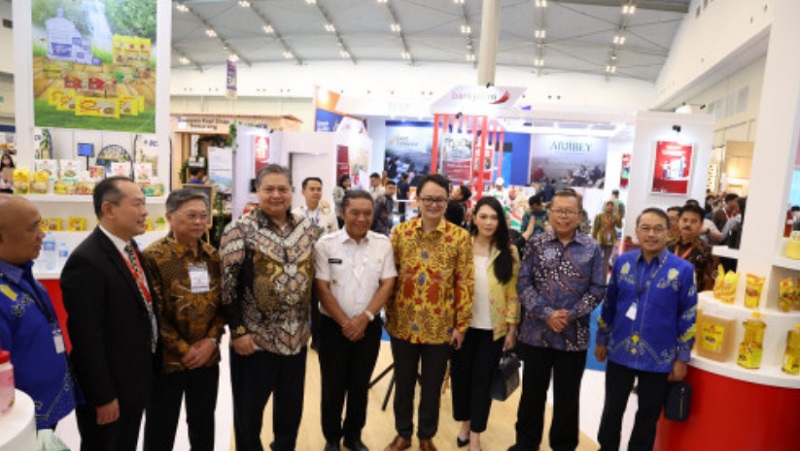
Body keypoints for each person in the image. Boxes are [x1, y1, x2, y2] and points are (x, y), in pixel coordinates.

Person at [220, 164, 317, 451]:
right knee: (249, 416)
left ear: (291, 192)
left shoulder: (307, 231)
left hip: (296, 340)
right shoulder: (239, 230)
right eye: (269, 189)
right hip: (254, 341)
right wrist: (238, 332)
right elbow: (227, 287)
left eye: (282, 189)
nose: (276, 195)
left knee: (290, 413)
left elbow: (314, 282)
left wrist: (311, 327)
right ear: (258, 192)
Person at [61, 176, 159, 451]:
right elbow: (86, 338)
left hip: (133, 383)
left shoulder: (131, 248)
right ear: (108, 209)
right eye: (137, 204)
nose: (145, 212)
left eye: (145, 203)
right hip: (109, 391)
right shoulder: (87, 261)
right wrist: (103, 396)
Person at [510, 190, 606, 451]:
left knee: (567, 396)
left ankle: (563, 445)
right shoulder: (536, 244)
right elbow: (523, 283)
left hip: (573, 337)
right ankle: (526, 443)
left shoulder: (592, 248)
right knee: (532, 394)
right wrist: (546, 314)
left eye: (569, 211)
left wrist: (569, 315)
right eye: (558, 211)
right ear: (549, 213)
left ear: (579, 215)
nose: (563, 216)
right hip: (535, 333)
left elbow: (598, 289)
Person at [596, 207, 697, 451]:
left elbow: (688, 315)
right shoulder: (622, 262)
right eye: (645, 228)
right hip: (620, 350)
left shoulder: (683, 270)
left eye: (658, 229)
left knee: (647, 416)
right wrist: (602, 338)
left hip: (659, 356)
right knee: (612, 410)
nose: (651, 234)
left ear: (668, 232)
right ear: (636, 231)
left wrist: (682, 357)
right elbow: (609, 303)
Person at [385, 174, 474, 451]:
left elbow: (465, 282)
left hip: (440, 326)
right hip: (403, 322)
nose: (433, 204)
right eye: (428, 199)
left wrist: (461, 324)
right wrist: (388, 315)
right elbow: (389, 277)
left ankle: (426, 435)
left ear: (448, 201)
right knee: (404, 384)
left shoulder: (460, 238)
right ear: (417, 200)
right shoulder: (400, 233)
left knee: (432, 388)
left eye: (439, 199)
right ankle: (403, 434)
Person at [142, 189, 225, 451]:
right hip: (168, 362)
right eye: (191, 216)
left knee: (203, 425)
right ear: (169, 216)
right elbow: (152, 312)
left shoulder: (213, 256)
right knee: (160, 428)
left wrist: (212, 340)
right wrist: (185, 349)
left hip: (207, 359)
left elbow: (223, 304)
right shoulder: (153, 257)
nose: (199, 222)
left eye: (203, 215)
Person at [315, 190, 397, 451]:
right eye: (355, 212)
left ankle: (353, 436)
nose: (362, 218)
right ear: (342, 213)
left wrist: (365, 318)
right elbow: (322, 288)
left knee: (359, 385)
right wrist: (345, 323)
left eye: (367, 213)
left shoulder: (382, 243)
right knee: (333, 386)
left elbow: (387, 284)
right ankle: (332, 437)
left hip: (369, 328)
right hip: (331, 328)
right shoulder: (326, 245)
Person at [0, 194, 77, 430]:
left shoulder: (23, 273)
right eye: (33, 228)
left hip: (43, 410)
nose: (42, 234)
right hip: (18, 421)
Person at [451, 196, 520, 451]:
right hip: (462, 327)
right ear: (473, 217)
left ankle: (476, 434)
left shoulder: (509, 250)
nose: (489, 222)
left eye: (494, 217)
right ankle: (465, 424)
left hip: (494, 329)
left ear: (500, 220)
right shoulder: (462, 245)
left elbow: (514, 291)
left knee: (482, 381)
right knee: (461, 378)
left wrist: (512, 328)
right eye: (484, 216)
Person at [294, 176, 340, 351]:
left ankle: (318, 340)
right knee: (301, 303)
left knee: (320, 302)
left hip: (323, 264)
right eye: (312, 189)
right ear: (303, 192)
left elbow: (336, 237)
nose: (316, 192)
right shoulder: (295, 214)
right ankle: (300, 336)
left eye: (319, 189)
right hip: (302, 265)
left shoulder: (329, 214)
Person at [668, 204, 718, 292]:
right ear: (679, 221)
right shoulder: (666, 246)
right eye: (684, 220)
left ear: (701, 224)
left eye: (693, 221)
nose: (688, 224)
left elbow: (710, 286)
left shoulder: (708, 251)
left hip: (691, 301)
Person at [592, 200, 623, 270]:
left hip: (610, 240)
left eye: (612, 205)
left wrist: (619, 217)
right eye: (608, 205)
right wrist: (593, 240)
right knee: (598, 259)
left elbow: (620, 226)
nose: (610, 207)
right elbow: (595, 228)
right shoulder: (599, 216)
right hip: (600, 239)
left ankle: (604, 278)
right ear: (605, 206)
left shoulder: (614, 217)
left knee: (606, 261)